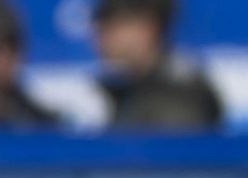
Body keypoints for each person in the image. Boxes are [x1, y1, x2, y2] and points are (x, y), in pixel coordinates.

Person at [93, 0, 222, 130]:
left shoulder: (180, 98)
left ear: (148, 27)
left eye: (111, 26)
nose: (99, 37)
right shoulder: (122, 89)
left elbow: (170, 147)